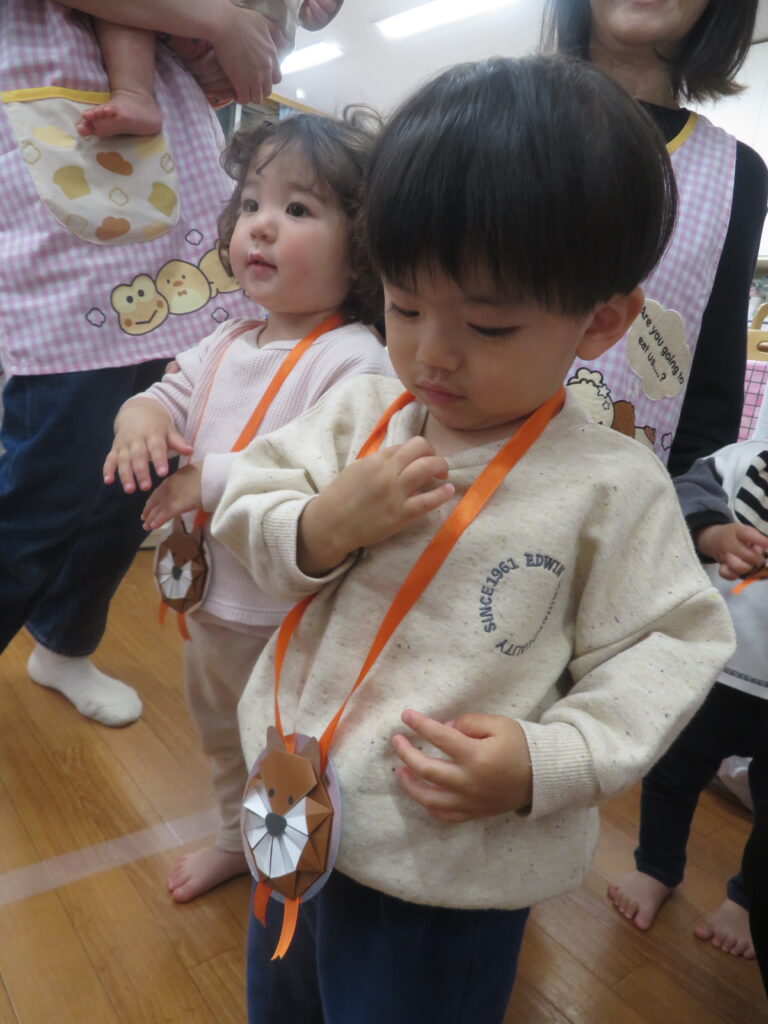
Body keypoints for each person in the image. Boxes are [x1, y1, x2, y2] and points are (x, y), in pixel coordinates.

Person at [210, 56, 736, 1022]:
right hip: (293, 805)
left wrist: (549, 758)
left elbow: (672, 641)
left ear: (601, 320)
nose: (432, 353)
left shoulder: (611, 486)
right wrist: (319, 526)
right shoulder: (363, 413)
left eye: (489, 327)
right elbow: (249, 497)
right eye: (405, 306)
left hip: (449, 865)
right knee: (280, 999)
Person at [102, 110, 392, 902]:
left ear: (361, 248)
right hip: (209, 606)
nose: (261, 225)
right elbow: (164, 393)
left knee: (287, 753)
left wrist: (208, 480)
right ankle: (238, 842)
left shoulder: (355, 359)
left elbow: (331, 475)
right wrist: (140, 418)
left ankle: (293, 874)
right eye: (253, 203)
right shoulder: (227, 340)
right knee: (219, 736)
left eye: (298, 209)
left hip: (290, 620)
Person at [0, 0, 301, 726]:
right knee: (50, 481)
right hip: (67, 133)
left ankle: (64, 641)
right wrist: (218, 21)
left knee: (146, 479)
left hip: (167, 173)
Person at [543, 0, 768, 476]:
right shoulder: (499, 122)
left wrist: (690, 507)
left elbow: (710, 398)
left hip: (630, 502)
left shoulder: (737, 176)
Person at [608, 437, 768, 960]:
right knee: (671, 775)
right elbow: (681, 493)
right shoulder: (740, 462)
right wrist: (715, 534)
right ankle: (656, 866)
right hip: (711, 670)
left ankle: (746, 899)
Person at [75, 0, 344, 138]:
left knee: (129, 19)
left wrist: (318, 10)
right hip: (237, 36)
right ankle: (134, 94)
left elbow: (310, 13)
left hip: (255, 43)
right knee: (128, 19)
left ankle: (135, 94)